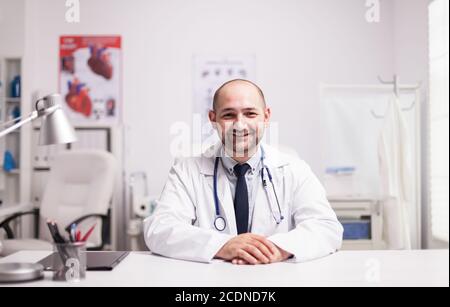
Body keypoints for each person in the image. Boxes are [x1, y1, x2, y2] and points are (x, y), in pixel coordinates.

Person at [144, 79, 343, 264]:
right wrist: (222, 245)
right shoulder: (186, 171)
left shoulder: (295, 170)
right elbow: (159, 230)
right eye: (229, 114)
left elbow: (327, 228)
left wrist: (276, 249)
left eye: (250, 113)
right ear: (213, 119)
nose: (240, 125)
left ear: (266, 116)